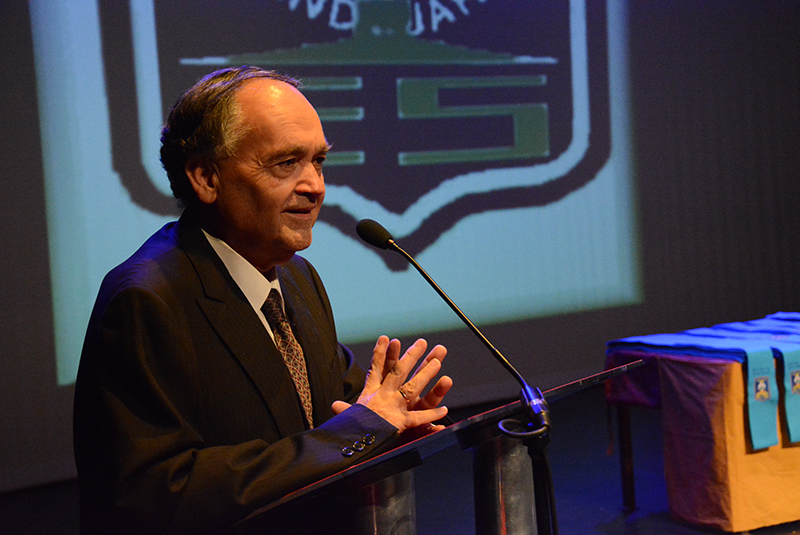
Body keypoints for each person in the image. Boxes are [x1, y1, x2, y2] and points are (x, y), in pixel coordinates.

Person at [73, 66, 453, 535]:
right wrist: (361, 430)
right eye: (286, 163)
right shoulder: (147, 300)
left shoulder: (298, 277)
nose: (315, 186)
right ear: (206, 178)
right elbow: (156, 495)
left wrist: (393, 422)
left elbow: (338, 413)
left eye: (318, 161)